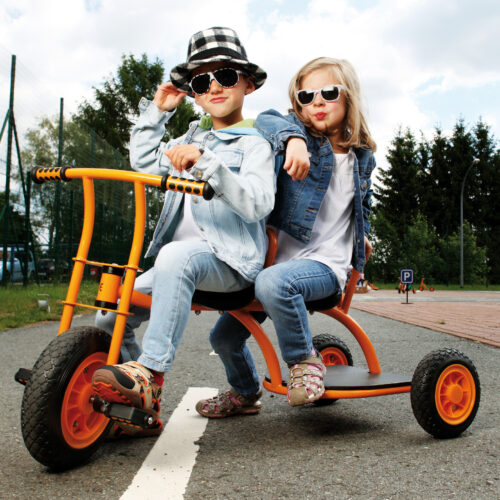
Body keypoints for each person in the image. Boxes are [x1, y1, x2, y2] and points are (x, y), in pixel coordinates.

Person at [91, 27, 275, 428]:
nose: (214, 86)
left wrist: (207, 162)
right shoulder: (190, 135)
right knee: (111, 315)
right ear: (193, 92)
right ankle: (136, 404)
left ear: (247, 83)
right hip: (178, 264)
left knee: (178, 256)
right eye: (201, 81)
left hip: (231, 264)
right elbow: (143, 160)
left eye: (225, 76)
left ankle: (151, 375)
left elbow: (258, 202)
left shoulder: (257, 143)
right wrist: (158, 111)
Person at [196, 56, 376, 417]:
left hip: (325, 267)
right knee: (224, 337)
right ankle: (245, 392)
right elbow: (266, 119)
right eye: (306, 96)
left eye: (328, 92)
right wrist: (294, 139)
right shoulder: (292, 135)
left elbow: (362, 204)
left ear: (349, 97)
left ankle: (304, 362)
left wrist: (365, 238)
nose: (317, 103)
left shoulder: (362, 157)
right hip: (274, 265)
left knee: (273, 283)